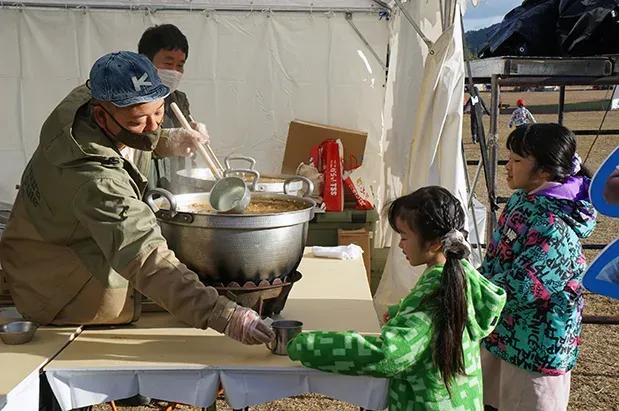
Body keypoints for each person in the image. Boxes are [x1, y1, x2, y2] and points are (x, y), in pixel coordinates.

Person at [0, 51, 274, 347]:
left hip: (67, 248)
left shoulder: (95, 95)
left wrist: (167, 140)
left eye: (159, 113)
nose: (153, 127)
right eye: (138, 121)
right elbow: (144, 257)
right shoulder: (93, 177)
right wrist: (224, 315)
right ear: (101, 115)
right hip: (59, 288)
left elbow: (136, 129)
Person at [288, 186, 506, 410]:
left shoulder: (435, 292)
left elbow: (389, 354)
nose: (401, 244)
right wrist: (400, 313)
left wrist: (306, 344)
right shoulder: (459, 272)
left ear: (434, 243)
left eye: (404, 237)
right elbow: (431, 325)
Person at [480, 123, 596, 411]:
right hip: (503, 336)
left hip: (536, 350)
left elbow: (522, 287)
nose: (507, 166)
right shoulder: (524, 199)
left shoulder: (556, 228)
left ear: (545, 171)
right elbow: (496, 256)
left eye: (517, 161)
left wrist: (465, 289)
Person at [137, 24, 206, 189]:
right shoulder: (127, 101)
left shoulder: (178, 99)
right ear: (144, 62)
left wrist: (193, 134)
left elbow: (188, 158)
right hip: (142, 189)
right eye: (168, 63)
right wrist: (165, 140)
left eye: (180, 65)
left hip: (173, 190)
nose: (175, 71)